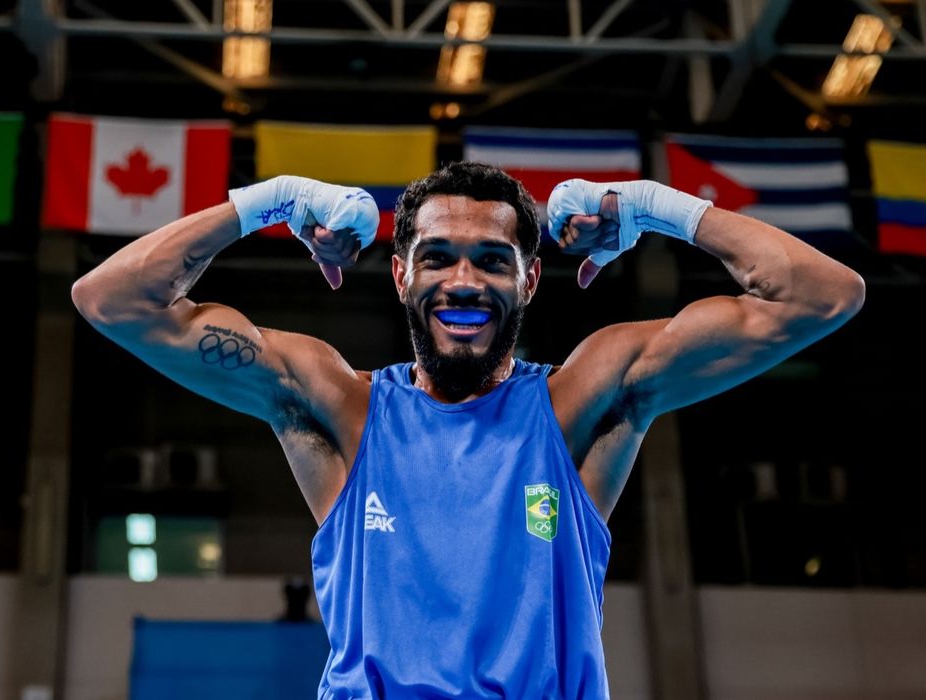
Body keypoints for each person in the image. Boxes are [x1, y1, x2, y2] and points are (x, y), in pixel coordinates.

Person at [71, 161, 865, 699]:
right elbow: (111, 300)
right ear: (401, 272)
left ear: (527, 278)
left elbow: (822, 297)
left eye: (490, 261)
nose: (463, 282)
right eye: (439, 257)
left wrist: (655, 205)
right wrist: (269, 200)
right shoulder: (338, 408)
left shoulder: (583, 401)